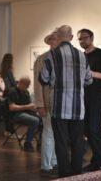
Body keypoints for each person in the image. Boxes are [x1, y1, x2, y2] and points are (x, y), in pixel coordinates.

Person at [39, 25, 93, 177]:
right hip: (78, 107)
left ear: (58, 36)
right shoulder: (82, 56)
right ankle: (76, 171)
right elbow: (89, 80)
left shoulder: (51, 55)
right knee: (77, 141)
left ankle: (64, 173)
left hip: (59, 106)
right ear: (70, 37)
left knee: (61, 141)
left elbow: (43, 79)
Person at [77, 28, 101, 172]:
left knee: (94, 129)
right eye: (79, 39)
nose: (82, 41)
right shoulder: (80, 56)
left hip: (98, 96)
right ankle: (96, 160)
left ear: (91, 38)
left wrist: (93, 74)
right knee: (87, 129)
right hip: (83, 96)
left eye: (84, 38)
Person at [34, 31, 58, 177]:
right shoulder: (42, 59)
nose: (56, 41)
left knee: (56, 133)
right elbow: (38, 84)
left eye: (58, 39)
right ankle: (46, 165)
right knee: (48, 133)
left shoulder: (61, 58)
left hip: (59, 103)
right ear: (49, 41)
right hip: (47, 102)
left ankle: (53, 161)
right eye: (54, 39)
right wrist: (40, 104)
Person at [7, 76, 41, 152]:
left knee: (42, 118)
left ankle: (40, 142)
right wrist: (27, 107)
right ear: (20, 83)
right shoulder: (12, 91)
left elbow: (29, 105)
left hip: (25, 112)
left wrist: (36, 108)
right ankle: (27, 143)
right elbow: (11, 107)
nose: (28, 87)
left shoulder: (26, 92)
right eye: (27, 85)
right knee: (35, 120)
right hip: (15, 114)